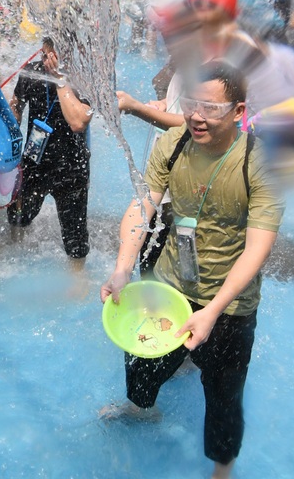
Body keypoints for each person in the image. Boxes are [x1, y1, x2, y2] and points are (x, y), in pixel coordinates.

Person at [100, 63, 283, 479]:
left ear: (238, 111)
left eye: (211, 108)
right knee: (140, 361)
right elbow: (143, 202)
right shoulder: (173, 142)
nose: (197, 115)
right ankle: (141, 408)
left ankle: (222, 469)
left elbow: (258, 247)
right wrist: (123, 269)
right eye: (192, 104)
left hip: (229, 303)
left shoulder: (258, 162)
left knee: (222, 394)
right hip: (171, 284)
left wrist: (214, 309)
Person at [8, 36, 93, 269]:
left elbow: (78, 122)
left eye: (53, 55)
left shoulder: (82, 79)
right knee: (18, 218)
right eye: (45, 54)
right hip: (34, 162)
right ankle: (13, 261)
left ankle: (78, 281)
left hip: (71, 169)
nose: (47, 60)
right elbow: (17, 104)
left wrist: (59, 79)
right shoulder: (31, 72)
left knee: (75, 237)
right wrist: (10, 131)